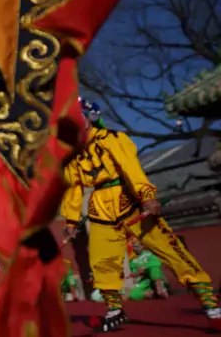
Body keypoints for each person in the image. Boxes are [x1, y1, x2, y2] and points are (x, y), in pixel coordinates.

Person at [61, 98, 221, 332]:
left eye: (78, 117)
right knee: (102, 261)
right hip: (100, 207)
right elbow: (74, 187)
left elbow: (130, 168)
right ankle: (114, 309)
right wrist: (71, 219)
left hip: (129, 199)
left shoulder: (112, 138)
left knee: (171, 250)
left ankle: (211, 305)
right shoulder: (72, 155)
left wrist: (146, 195)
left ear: (89, 117)